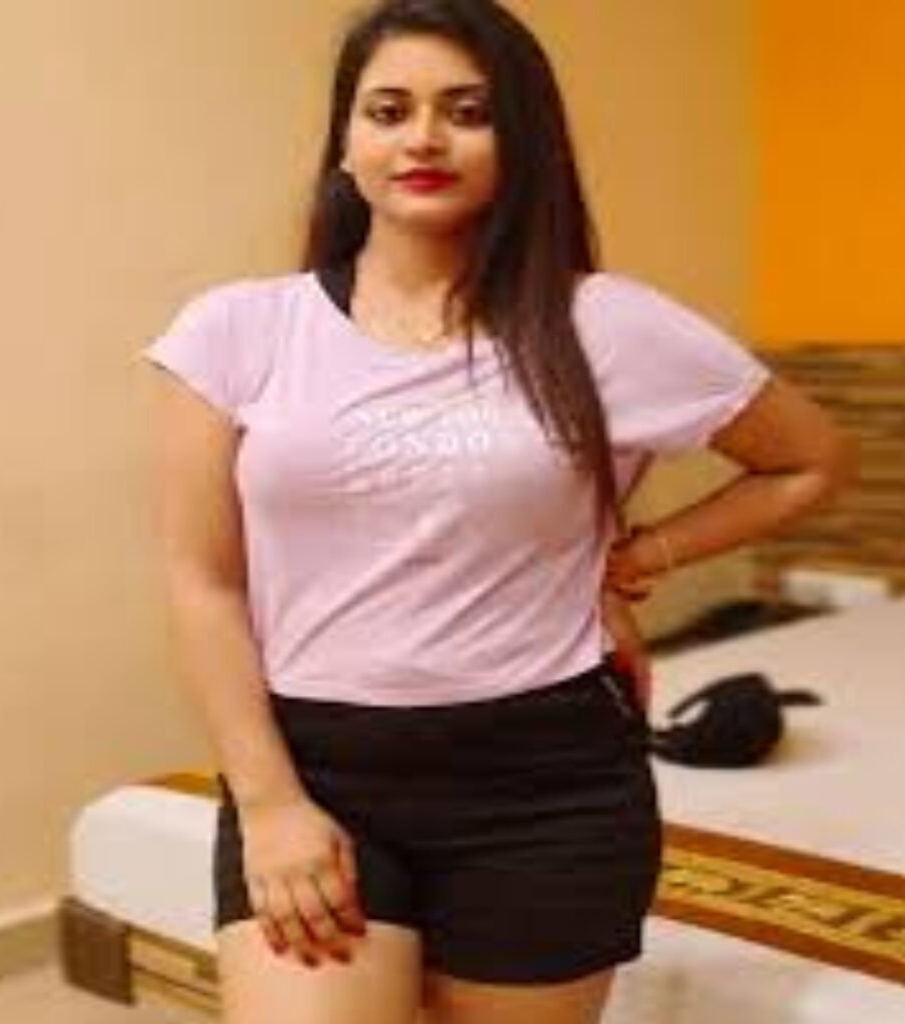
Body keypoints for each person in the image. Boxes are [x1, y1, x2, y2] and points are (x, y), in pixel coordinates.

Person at [140, 1, 855, 1021]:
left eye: (467, 112)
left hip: (546, 785)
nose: (423, 138)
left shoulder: (607, 325)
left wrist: (636, 557)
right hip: (317, 766)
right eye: (389, 110)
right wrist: (267, 801)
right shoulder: (235, 331)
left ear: (521, 140)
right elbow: (203, 581)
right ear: (345, 141)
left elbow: (810, 460)